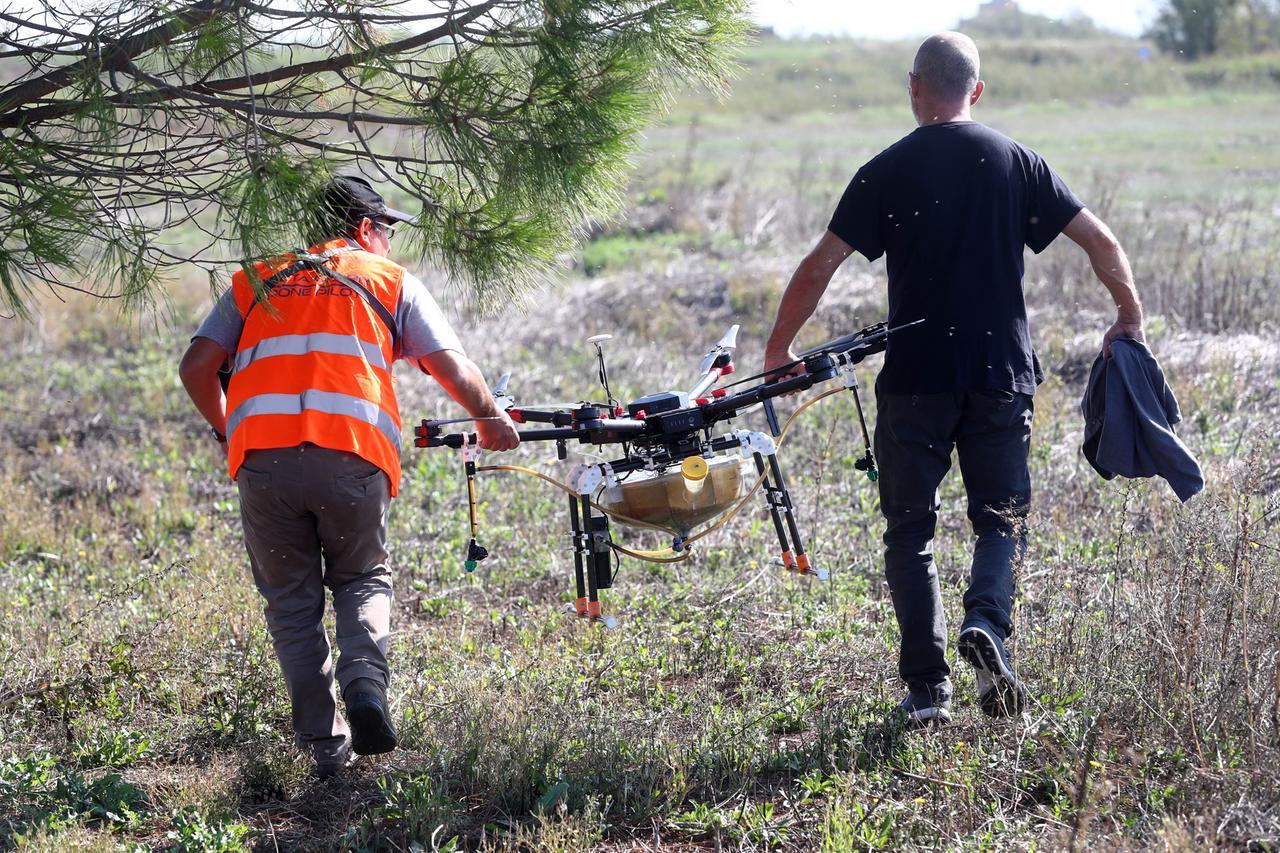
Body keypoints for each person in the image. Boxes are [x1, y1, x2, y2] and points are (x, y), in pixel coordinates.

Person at [761, 33, 1144, 725]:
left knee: (910, 528)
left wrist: (778, 349)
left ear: (914, 88)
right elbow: (1102, 241)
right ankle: (987, 627)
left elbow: (820, 264)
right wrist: (1129, 316)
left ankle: (927, 692)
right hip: (1001, 376)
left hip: (914, 380)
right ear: (977, 91)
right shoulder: (1017, 161)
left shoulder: (886, 169)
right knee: (1001, 519)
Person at [179, 176, 519, 776]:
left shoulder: (256, 279)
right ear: (364, 230)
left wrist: (230, 427)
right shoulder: (385, 278)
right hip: (352, 456)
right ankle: (365, 686)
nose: (387, 242)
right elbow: (449, 365)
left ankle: (323, 746)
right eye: (385, 230)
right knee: (362, 578)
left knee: (291, 603)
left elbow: (196, 367)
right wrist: (489, 418)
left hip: (263, 462)